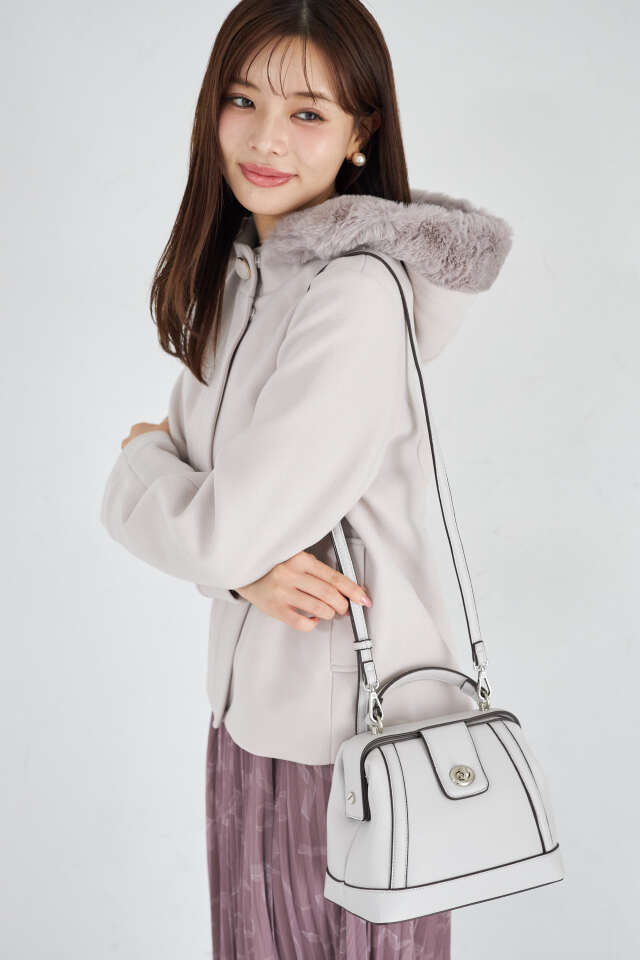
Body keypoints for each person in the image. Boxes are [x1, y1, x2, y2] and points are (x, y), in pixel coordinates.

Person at [99, 1, 513, 956]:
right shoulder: (243, 278)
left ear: (362, 133)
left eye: (308, 112)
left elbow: (211, 524)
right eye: (243, 100)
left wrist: (137, 464)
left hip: (350, 746)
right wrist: (241, 566)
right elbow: (226, 534)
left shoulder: (352, 294)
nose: (267, 139)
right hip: (256, 720)